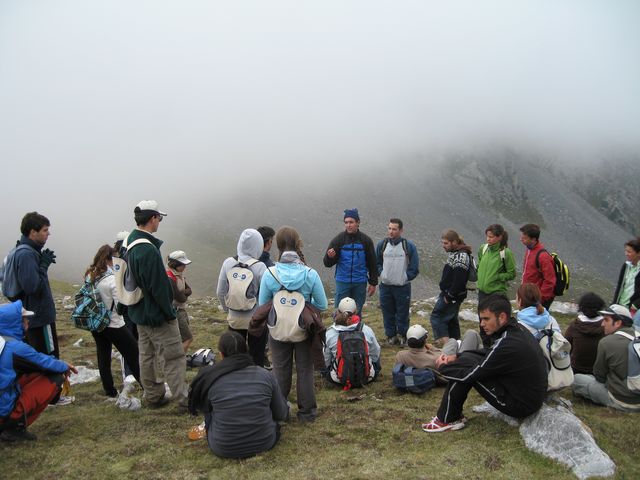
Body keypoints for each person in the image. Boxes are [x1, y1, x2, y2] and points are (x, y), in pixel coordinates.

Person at [422, 294, 547, 432]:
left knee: (468, 371)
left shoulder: (507, 343)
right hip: (526, 394)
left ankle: (447, 419)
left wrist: (444, 367)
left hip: (521, 405)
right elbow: (487, 354)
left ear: (502, 317)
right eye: (481, 319)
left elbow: (471, 375)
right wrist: (456, 357)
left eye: (486, 319)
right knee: (468, 359)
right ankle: (452, 415)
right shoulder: (516, 330)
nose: (482, 324)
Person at [259, 226, 328, 422]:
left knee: (280, 369)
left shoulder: (270, 273)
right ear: (298, 245)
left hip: (278, 328)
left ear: (278, 246)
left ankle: (280, 412)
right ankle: (307, 413)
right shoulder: (310, 274)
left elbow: (262, 304)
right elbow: (322, 304)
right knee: (305, 369)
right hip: (303, 329)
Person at [188, 331, 289, 458]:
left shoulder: (210, 378)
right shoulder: (265, 375)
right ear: (246, 351)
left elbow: (203, 408)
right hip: (264, 442)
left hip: (223, 447)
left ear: (221, 354)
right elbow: (281, 414)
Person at [126, 200, 187, 409]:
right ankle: (182, 399)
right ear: (152, 218)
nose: (159, 221)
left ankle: (153, 395)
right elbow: (158, 288)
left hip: (139, 313)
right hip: (156, 314)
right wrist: (169, 313)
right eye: (159, 218)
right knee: (173, 356)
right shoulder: (147, 250)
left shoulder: (129, 243)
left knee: (147, 355)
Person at [0, 301, 77, 442]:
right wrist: (65, 366)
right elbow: (43, 362)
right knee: (55, 376)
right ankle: (14, 428)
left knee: (34, 373)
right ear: (13, 322)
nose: (27, 321)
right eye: (23, 319)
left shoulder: (3, 342)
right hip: (3, 413)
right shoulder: (14, 348)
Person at [84, 245, 141, 397]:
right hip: (114, 323)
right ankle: (146, 386)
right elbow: (120, 303)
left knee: (103, 355)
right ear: (109, 259)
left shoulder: (91, 275)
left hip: (96, 323)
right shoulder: (111, 279)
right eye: (115, 257)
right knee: (133, 353)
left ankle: (109, 390)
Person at [572, 304, 640, 411]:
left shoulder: (606, 342)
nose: (602, 324)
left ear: (618, 323)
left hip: (622, 401)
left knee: (578, 379)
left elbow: (599, 376)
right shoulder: (638, 336)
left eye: (606, 320)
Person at [216, 229, 267, 365]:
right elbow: (265, 296)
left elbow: (220, 292)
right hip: (255, 320)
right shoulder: (260, 266)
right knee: (257, 356)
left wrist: (229, 310)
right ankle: (256, 382)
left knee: (234, 357)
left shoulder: (228, 263)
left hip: (234, 319)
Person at [323, 208, 378, 316]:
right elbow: (327, 263)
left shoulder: (366, 241)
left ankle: (355, 332)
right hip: (342, 281)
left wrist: (373, 283)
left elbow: (372, 263)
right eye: (346, 222)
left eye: (351, 222)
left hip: (360, 282)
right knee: (340, 312)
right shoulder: (338, 240)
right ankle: (339, 332)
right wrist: (330, 257)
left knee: (357, 312)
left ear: (358, 223)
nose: (348, 225)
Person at [375, 218, 420, 346]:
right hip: (385, 286)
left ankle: (403, 335)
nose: (391, 232)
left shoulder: (408, 246)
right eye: (389, 228)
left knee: (402, 312)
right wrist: (381, 273)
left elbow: (414, 266)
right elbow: (376, 261)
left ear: (401, 230)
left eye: (394, 229)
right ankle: (391, 336)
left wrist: (405, 277)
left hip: (402, 287)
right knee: (387, 311)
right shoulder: (382, 245)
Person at [324, 297, 381, 386]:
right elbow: (376, 352)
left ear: (338, 312)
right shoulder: (366, 330)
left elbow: (326, 358)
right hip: (367, 377)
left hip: (338, 379)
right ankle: (368, 373)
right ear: (356, 312)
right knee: (375, 357)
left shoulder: (330, 332)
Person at [430, 229, 472, 344]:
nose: (443, 246)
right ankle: (457, 345)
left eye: (445, 243)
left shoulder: (461, 256)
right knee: (451, 320)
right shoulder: (457, 253)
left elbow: (460, 280)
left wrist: (449, 295)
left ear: (454, 242)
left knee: (437, 316)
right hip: (452, 294)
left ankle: (447, 346)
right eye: (442, 243)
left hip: (451, 295)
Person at [564, 292, 605, 375]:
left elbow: (566, 345)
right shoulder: (606, 327)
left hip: (575, 368)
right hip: (597, 369)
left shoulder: (575, 326)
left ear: (581, 308)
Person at [519, 223, 556, 310]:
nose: (521, 239)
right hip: (529, 297)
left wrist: (539, 300)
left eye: (524, 238)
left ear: (533, 239)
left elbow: (550, 281)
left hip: (537, 300)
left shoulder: (543, 256)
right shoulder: (529, 250)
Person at [476, 224, 516, 302]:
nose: (488, 239)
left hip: (496, 293)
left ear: (500, 237)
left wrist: (497, 277)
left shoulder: (506, 253)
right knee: (482, 314)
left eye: (491, 237)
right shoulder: (483, 248)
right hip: (481, 293)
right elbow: (479, 265)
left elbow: (512, 274)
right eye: (487, 236)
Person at [167, 250, 193, 352]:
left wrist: (183, 293)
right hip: (176, 311)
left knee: (180, 338)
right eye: (182, 264)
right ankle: (179, 359)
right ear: (175, 264)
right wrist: (184, 294)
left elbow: (189, 290)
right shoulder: (170, 277)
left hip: (180, 310)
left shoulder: (178, 275)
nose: (184, 267)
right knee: (187, 338)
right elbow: (181, 298)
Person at [612, 237, 640, 316]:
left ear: (638, 253)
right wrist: (614, 303)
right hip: (619, 305)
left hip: (633, 310)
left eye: (629, 252)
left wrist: (635, 305)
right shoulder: (626, 265)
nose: (626, 253)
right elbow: (620, 285)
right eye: (626, 251)